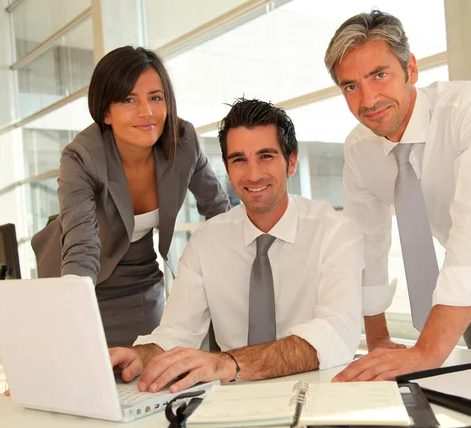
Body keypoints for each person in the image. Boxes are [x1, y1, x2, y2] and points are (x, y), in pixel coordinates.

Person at [323, 10, 471, 381]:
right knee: (461, 374)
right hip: (459, 266)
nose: (368, 99)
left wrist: (425, 351)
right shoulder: (359, 150)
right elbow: (366, 244)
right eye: (350, 86)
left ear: (412, 69)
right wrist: (379, 338)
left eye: (379, 75)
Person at [109, 98, 363, 393]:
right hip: (232, 404)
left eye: (266, 156)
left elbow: (335, 334)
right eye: (239, 159)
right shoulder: (206, 242)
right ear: (228, 169)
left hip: (318, 398)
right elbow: (177, 333)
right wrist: (141, 355)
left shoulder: (335, 232)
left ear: (291, 161)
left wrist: (230, 362)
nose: (253, 174)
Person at [31, 46, 230, 347]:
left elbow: (219, 212)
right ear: (106, 112)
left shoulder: (183, 140)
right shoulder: (82, 157)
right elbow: (82, 247)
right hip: (78, 277)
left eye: (155, 97)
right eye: (128, 100)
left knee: (146, 376)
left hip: (139, 277)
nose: (146, 112)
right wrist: (64, 320)